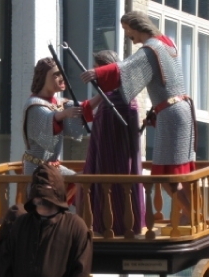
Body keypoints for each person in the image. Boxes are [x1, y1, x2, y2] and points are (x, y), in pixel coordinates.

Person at [81, 11, 196, 222]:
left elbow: (127, 68)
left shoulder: (151, 48)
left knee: (168, 175)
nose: (127, 35)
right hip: (181, 109)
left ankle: (193, 216)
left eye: (126, 29)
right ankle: (191, 215)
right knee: (181, 169)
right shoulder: (167, 44)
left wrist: (98, 74)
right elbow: (165, 83)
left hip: (171, 113)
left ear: (136, 26)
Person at [81, 50, 145, 236]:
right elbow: (92, 104)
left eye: (98, 70)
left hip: (112, 167)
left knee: (113, 185)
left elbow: (104, 142)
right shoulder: (127, 96)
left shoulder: (114, 102)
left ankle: (111, 223)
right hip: (124, 165)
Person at [22, 57, 84, 185]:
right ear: (44, 78)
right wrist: (64, 114)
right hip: (38, 169)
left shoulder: (59, 103)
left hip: (54, 167)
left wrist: (104, 96)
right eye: (56, 74)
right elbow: (49, 118)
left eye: (62, 73)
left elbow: (84, 108)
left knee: (82, 182)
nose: (62, 78)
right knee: (43, 202)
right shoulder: (34, 105)